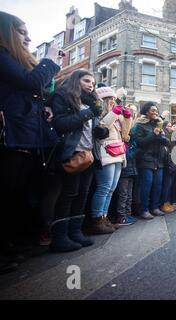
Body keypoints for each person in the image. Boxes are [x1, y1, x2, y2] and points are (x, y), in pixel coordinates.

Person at [0, 11, 60, 270]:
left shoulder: (15, 59)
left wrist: (46, 106)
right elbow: (30, 82)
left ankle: (9, 244)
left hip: (25, 135)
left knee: (15, 194)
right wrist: (49, 59)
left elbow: (34, 89)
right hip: (11, 135)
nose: (28, 37)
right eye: (22, 32)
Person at [50, 69, 104, 252]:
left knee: (83, 193)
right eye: (87, 81)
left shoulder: (91, 103)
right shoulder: (63, 96)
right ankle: (59, 237)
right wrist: (89, 113)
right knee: (68, 194)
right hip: (71, 153)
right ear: (76, 80)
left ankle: (75, 232)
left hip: (89, 154)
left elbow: (92, 129)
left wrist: (100, 131)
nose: (91, 85)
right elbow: (61, 124)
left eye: (93, 83)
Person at [89, 86, 132, 234]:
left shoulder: (115, 116)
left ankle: (104, 217)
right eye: (110, 99)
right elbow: (101, 127)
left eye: (114, 99)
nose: (113, 101)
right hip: (104, 152)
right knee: (104, 187)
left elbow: (126, 134)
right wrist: (114, 114)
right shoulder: (98, 113)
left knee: (111, 189)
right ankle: (96, 219)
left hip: (118, 153)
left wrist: (127, 118)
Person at [133, 102, 170, 219]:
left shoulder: (158, 125)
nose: (155, 113)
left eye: (156, 111)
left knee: (157, 185)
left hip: (158, 160)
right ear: (146, 111)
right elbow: (140, 142)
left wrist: (162, 136)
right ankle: (144, 210)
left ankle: (154, 207)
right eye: (153, 110)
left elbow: (167, 142)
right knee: (146, 185)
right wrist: (153, 135)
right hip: (145, 159)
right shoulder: (139, 125)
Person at [114, 104, 139, 226]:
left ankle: (127, 215)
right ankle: (121, 217)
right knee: (123, 194)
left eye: (134, 111)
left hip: (132, 166)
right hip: (124, 165)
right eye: (130, 110)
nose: (132, 113)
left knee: (129, 193)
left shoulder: (132, 131)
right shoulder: (122, 129)